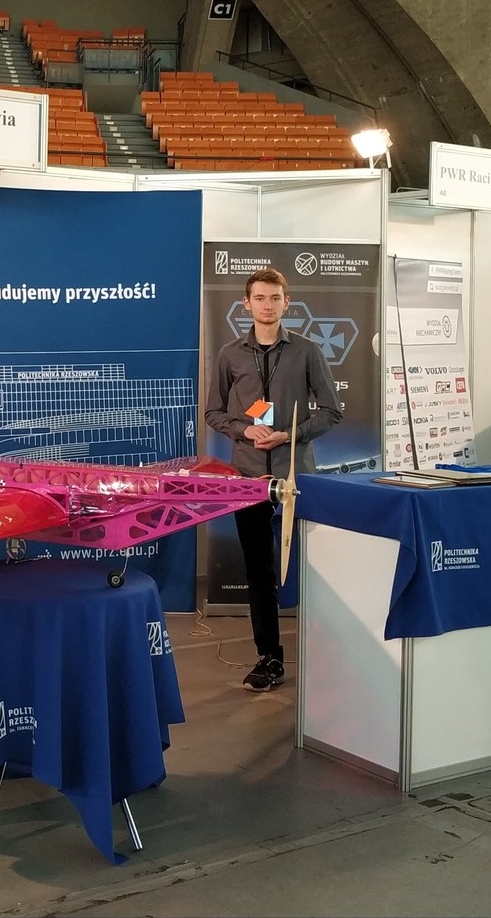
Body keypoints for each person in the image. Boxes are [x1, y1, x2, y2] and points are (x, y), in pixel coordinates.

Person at [204, 268, 343, 693]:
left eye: (275, 298)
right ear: (246, 304)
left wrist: (289, 434)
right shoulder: (229, 354)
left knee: (316, 568)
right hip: (248, 478)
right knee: (259, 570)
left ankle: (334, 656)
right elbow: (213, 412)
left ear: (287, 302)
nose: (268, 305)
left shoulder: (306, 351)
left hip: (297, 478)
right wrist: (245, 429)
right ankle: (270, 657)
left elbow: (331, 411)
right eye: (260, 298)